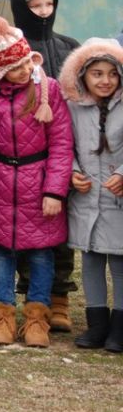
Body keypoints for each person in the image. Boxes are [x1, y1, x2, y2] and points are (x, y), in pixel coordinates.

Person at [0, 17, 73, 348]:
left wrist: (55, 189)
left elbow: (62, 143)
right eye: (14, 66)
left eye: (26, 63)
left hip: (37, 182)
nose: (24, 71)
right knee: (2, 255)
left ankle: (37, 318)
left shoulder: (47, 90)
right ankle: (3, 316)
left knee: (41, 254)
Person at [9, 0, 81, 330]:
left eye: (48, 4)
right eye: (34, 4)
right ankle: (32, 299)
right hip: (22, 158)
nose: (42, 11)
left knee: (61, 231)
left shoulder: (69, 47)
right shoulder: (11, 53)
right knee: (25, 232)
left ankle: (60, 298)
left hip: (63, 155)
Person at [59, 38, 123, 350]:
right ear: (82, 75)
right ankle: (97, 324)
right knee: (91, 260)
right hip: (86, 198)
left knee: (121, 263)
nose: (105, 80)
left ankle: (120, 327)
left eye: (112, 74)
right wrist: (71, 173)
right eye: (97, 73)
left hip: (117, 198)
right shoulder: (73, 107)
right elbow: (63, 145)